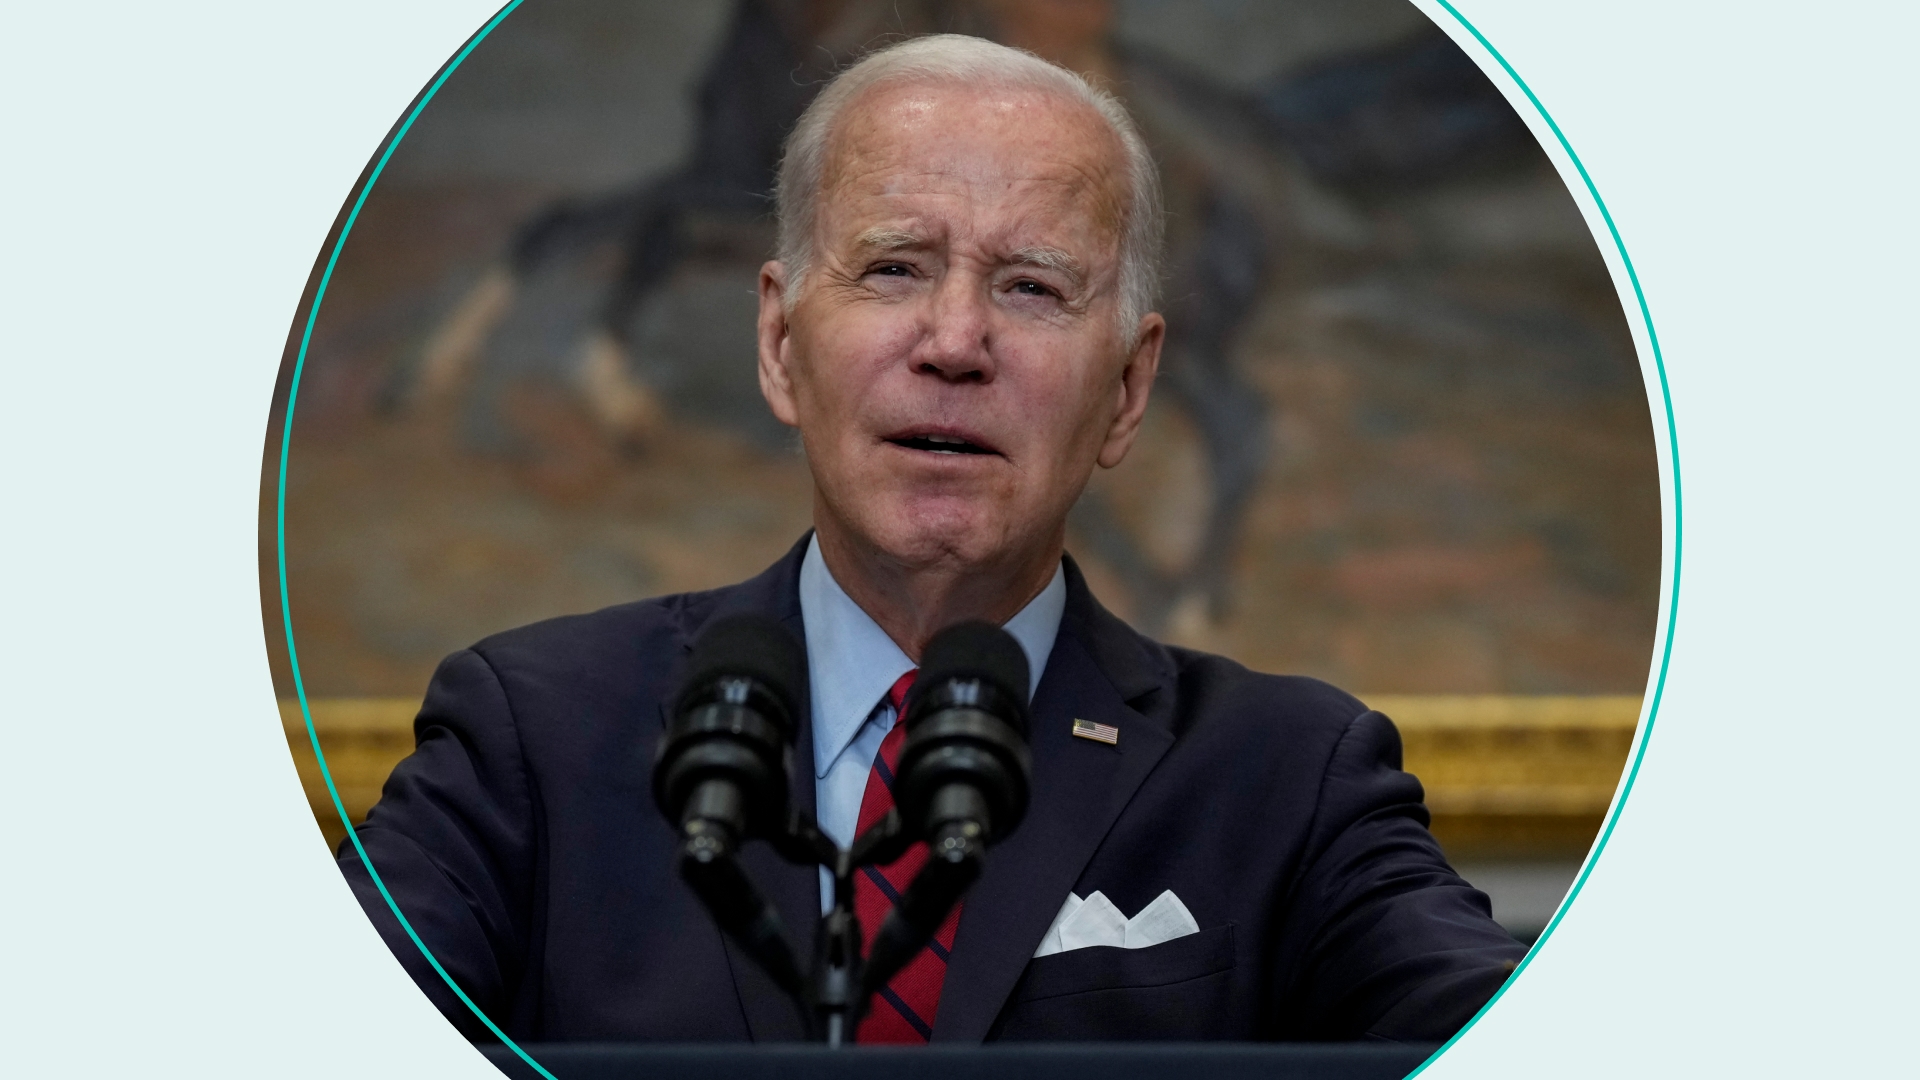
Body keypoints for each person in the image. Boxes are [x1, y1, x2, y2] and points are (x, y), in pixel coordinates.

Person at [339, 34, 1525, 1045]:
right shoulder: (535, 739)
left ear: (1125, 390)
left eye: (1031, 289)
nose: (954, 341)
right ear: (778, 344)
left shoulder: (1289, 779)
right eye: (895, 268)